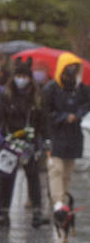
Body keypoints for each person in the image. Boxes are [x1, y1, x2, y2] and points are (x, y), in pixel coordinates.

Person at [0, 59, 48, 227]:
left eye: (24, 76)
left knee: (33, 176)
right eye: (18, 76)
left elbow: (43, 120)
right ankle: (4, 212)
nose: (21, 79)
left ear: (29, 78)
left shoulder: (37, 96)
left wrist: (46, 139)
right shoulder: (6, 95)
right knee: (6, 177)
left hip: (30, 142)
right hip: (10, 140)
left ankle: (37, 211)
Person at [43, 55, 90, 207]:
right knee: (56, 169)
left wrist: (77, 115)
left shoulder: (81, 89)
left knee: (67, 173)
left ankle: (61, 199)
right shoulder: (51, 89)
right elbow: (45, 112)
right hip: (55, 135)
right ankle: (58, 202)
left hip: (73, 136)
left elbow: (86, 104)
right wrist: (63, 117)